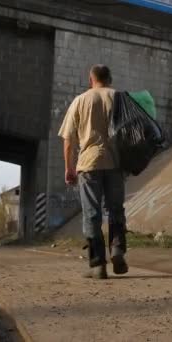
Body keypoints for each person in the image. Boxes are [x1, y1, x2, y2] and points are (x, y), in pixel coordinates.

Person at [58, 64, 128, 279]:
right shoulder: (120, 98)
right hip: (116, 162)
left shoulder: (80, 101)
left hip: (89, 164)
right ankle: (117, 251)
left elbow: (68, 140)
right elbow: (133, 131)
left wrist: (69, 167)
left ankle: (98, 265)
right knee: (116, 209)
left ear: (91, 79)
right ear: (110, 79)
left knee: (92, 214)